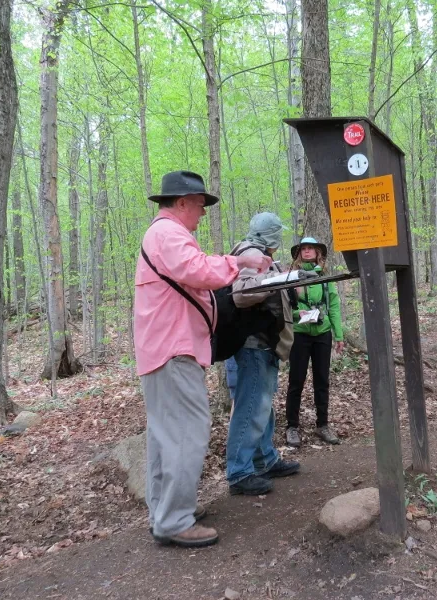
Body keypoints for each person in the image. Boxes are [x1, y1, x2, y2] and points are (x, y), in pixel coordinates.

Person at [134, 171, 271, 548]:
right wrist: (240, 263)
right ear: (181, 203)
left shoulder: (163, 233)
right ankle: (175, 520)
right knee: (186, 431)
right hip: (173, 349)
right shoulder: (168, 233)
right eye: (199, 205)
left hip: (164, 348)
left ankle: (166, 513)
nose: (202, 213)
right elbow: (196, 270)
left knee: (166, 437)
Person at [226, 213, 302, 496]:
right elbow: (242, 294)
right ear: (269, 234)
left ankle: (264, 459)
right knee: (250, 408)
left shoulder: (258, 254)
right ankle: (239, 472)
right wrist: (278, 277)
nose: (280, 238)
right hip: (254, 343)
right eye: (277, 232)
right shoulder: (252, 254)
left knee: (262, 407)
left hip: (264, 342)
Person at [284, 237, 344, 448]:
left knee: (322, 380)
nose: (307, 251)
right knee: (296, 381)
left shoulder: (325, 278)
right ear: (298, 253)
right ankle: (291, 427)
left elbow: (333, 306)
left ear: (318, 252)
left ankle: (323, 425)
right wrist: (296, 312)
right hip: (299, 333)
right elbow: (282, 306)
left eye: (311, 248)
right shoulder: (291, 277)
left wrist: (338, 335)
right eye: (303, 248)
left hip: (322, 332)